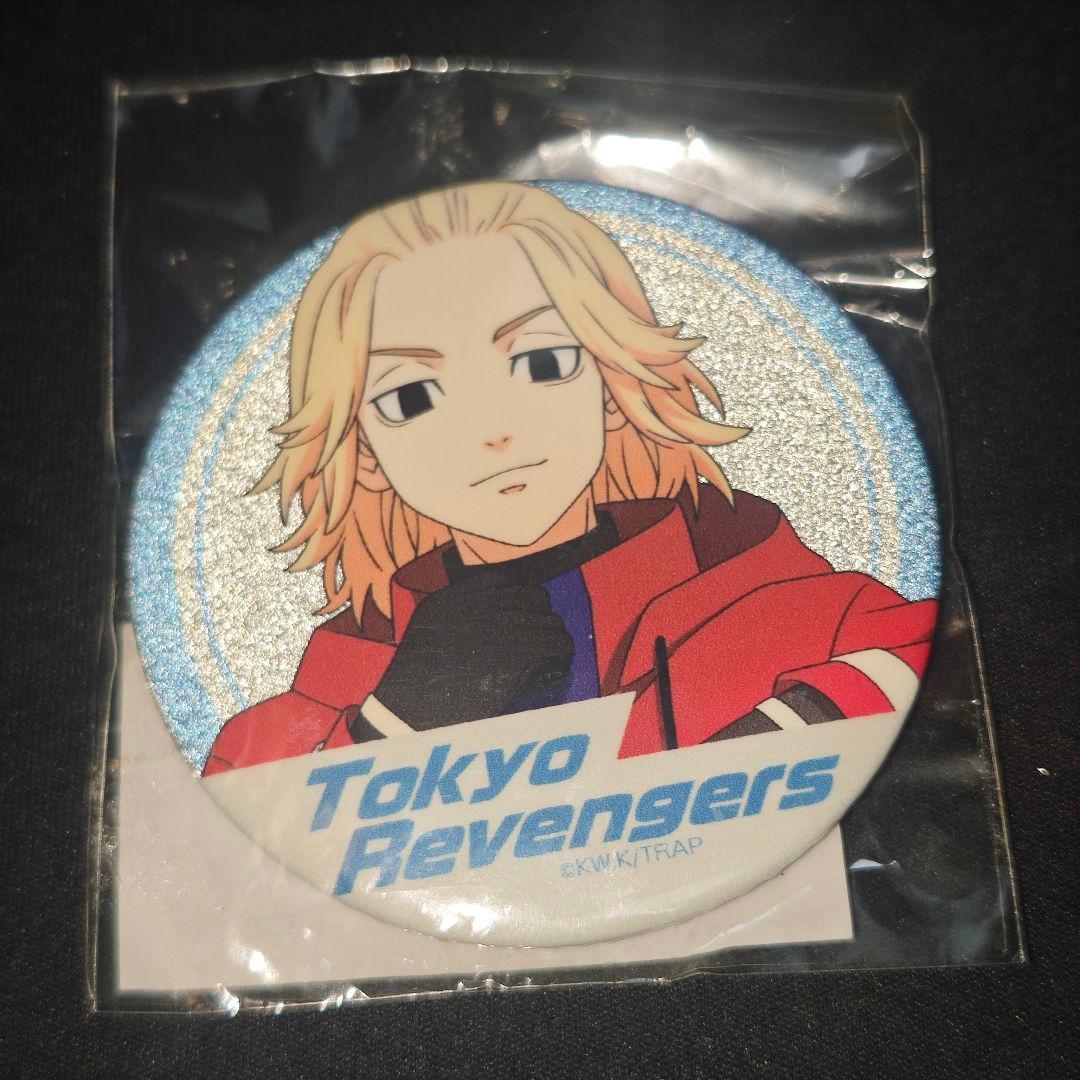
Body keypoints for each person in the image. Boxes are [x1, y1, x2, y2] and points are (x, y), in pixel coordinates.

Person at [203, 181, 937, 777]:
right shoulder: (333, 691)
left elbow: (919, 662)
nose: (493, 429)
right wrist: (392, 726)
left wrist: (782, 743)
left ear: (611, 385)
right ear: (362, 449)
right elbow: (239, 839)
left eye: (542, 362)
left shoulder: (777, 598)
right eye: (412, 397)